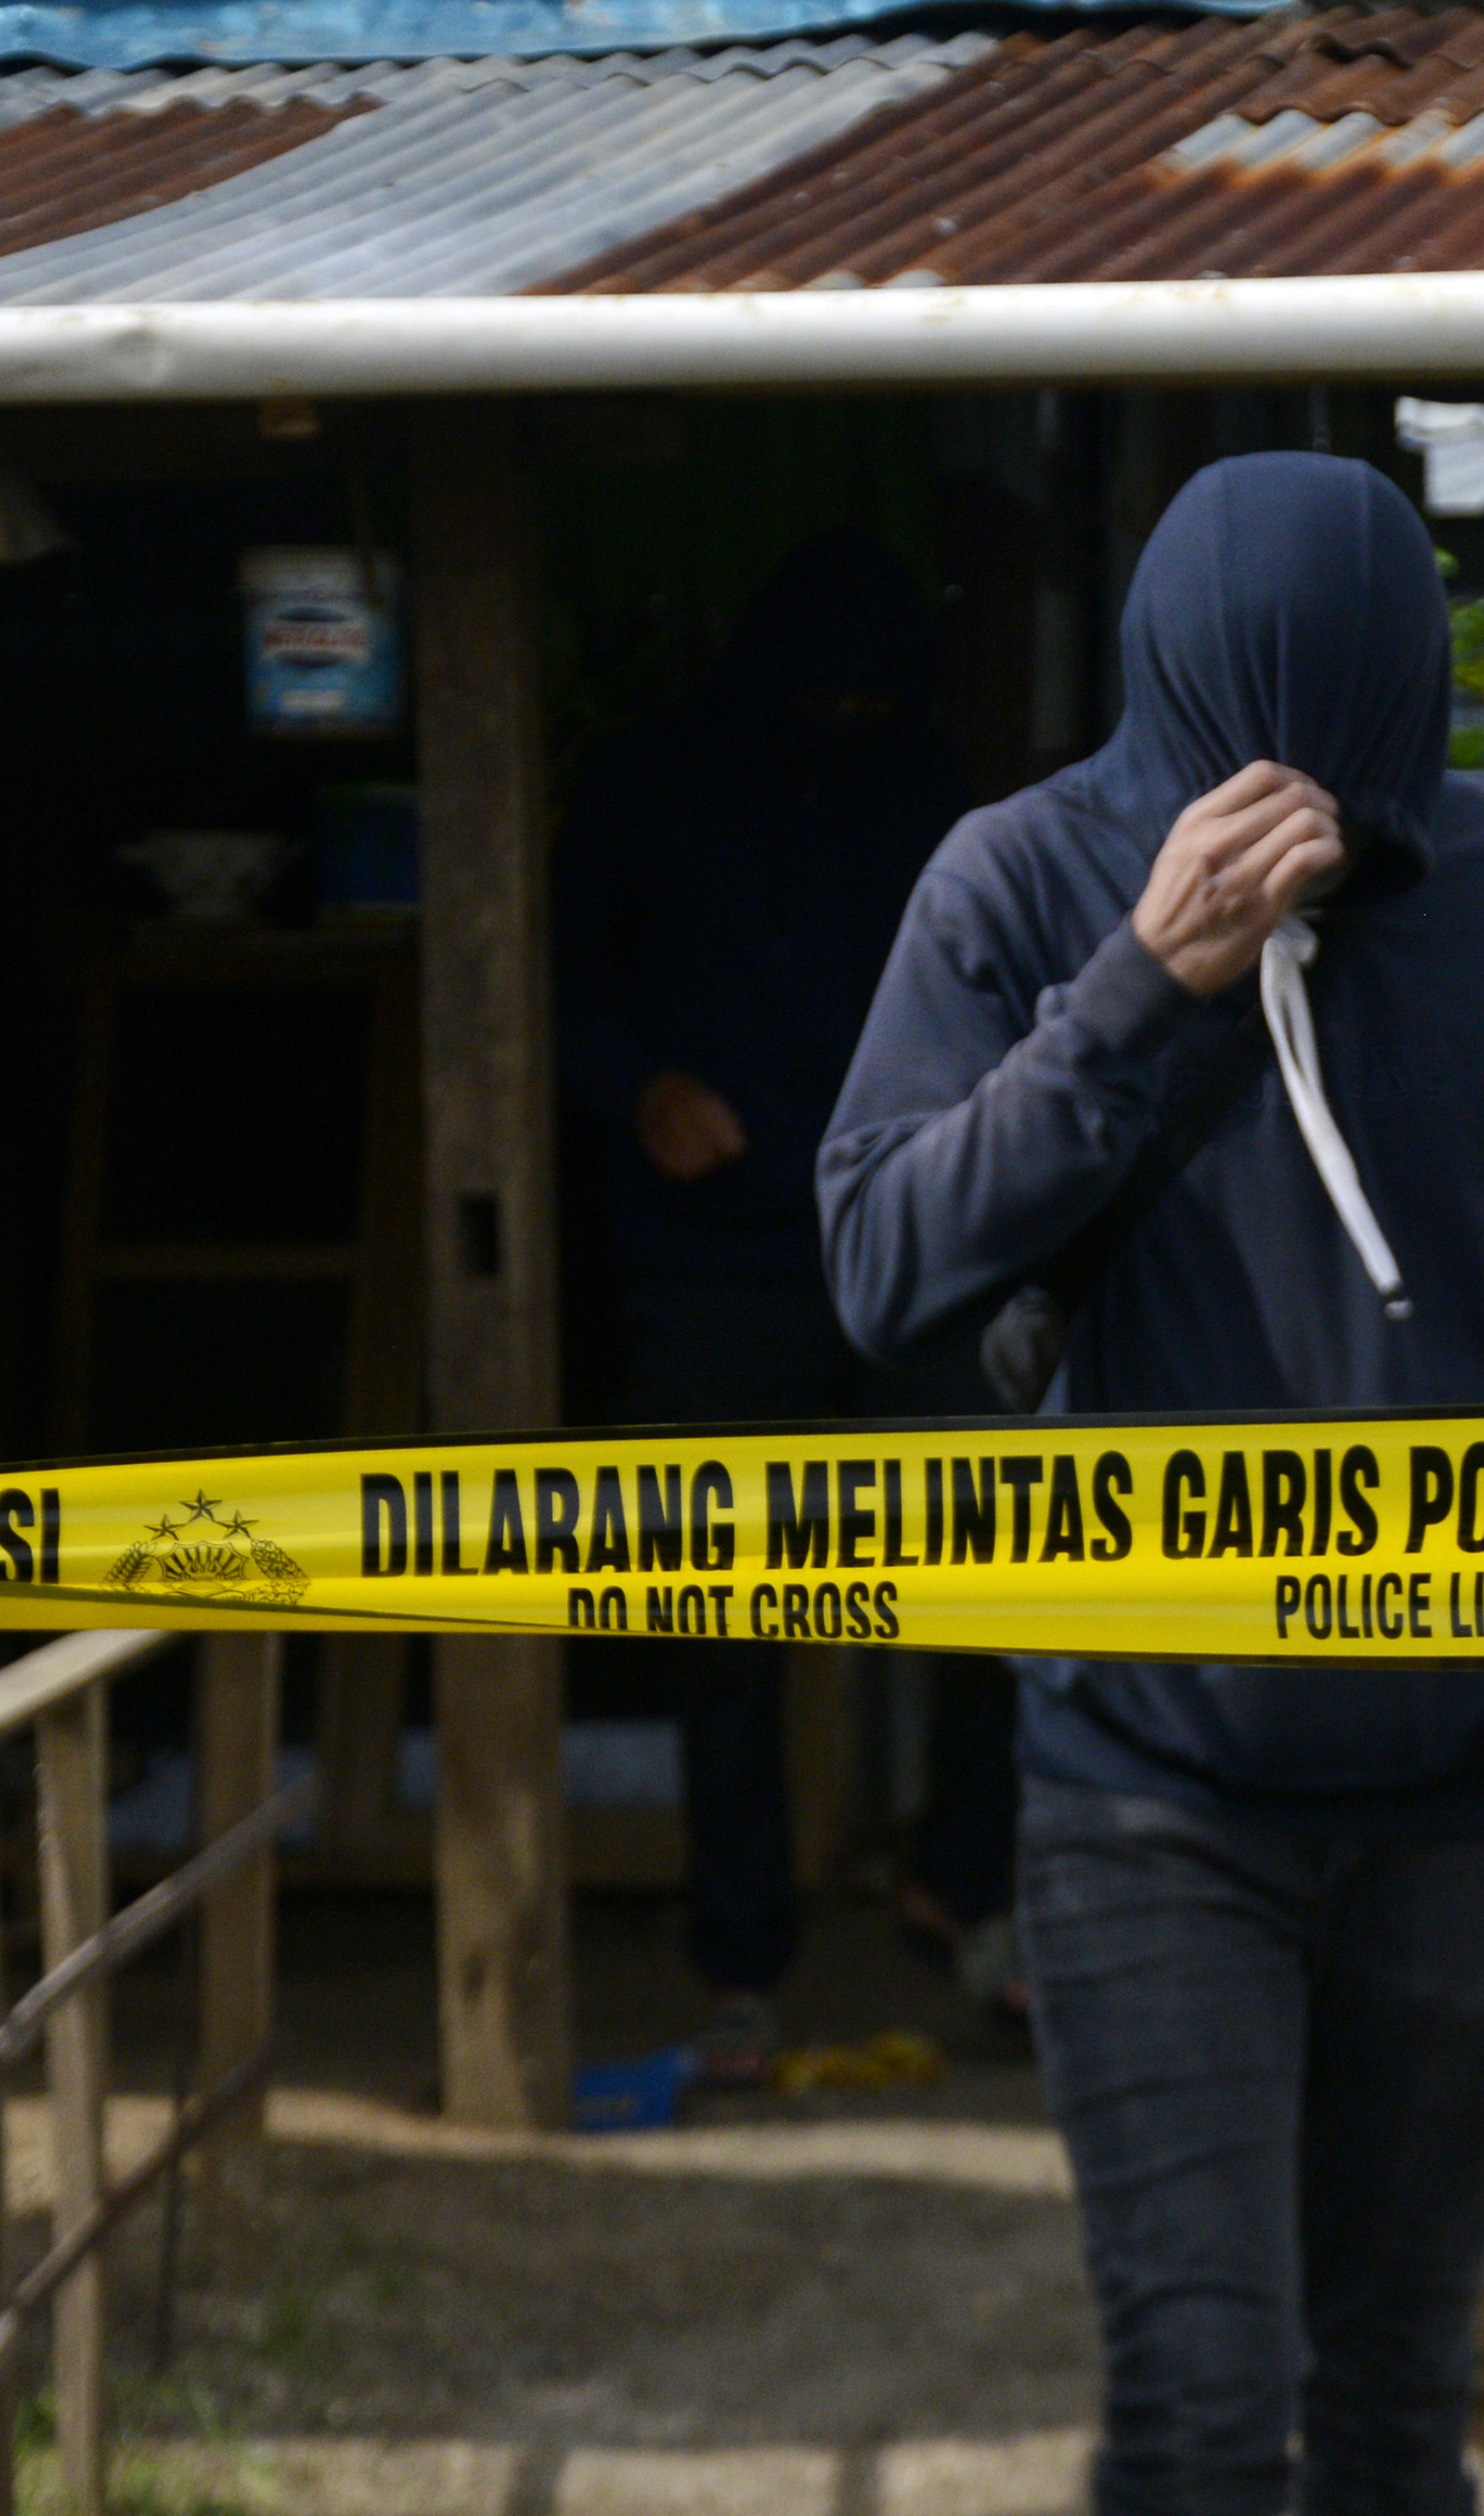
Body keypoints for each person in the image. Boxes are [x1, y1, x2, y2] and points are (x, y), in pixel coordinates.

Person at [821, 454, 1484, 2513]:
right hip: (1149, 1776)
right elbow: (884, 1266)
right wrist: (1142, 986)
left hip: (1466, 1781)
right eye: (1248, 754)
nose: (1299, 814)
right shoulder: (1020, 883)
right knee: (1206, 2413)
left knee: (1400, 2416)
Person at [557, 527, 992, 2066]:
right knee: (721, 1614)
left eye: (877, 703)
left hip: (916, 1245)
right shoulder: (649, 784)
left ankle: (963, 1889)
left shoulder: (944, 801)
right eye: (826, 698)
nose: (847, 722)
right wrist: (639, 1089)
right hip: (712, 1251)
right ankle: (740, 1955)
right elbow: (538, 980)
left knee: (993, 1578)